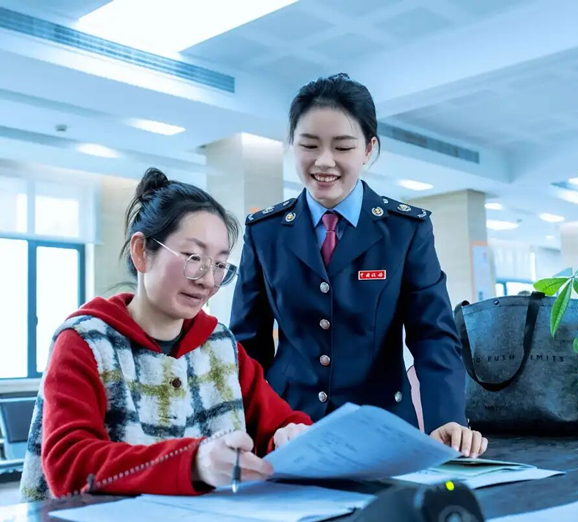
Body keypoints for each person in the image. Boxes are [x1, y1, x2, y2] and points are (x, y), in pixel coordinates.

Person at [230, 73, 487, 458]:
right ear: (291, 145)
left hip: (383, 427)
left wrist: (446, 418)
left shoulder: (404, 230)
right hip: (289, 429)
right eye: (309, 145)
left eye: (343, 147)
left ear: (368, 149)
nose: (324, 161)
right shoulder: (266, 232)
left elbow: (432, 334)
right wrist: (251, 425)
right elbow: (248, 345)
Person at [20, 168, 311, 501]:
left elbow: (279, 423)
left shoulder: (220, 346)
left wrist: (290, 435)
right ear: (141, 251)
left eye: (219, 265)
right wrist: (193, 463)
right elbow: (69, 465)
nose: (208, 280)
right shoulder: (86, 342)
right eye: (193, 258)